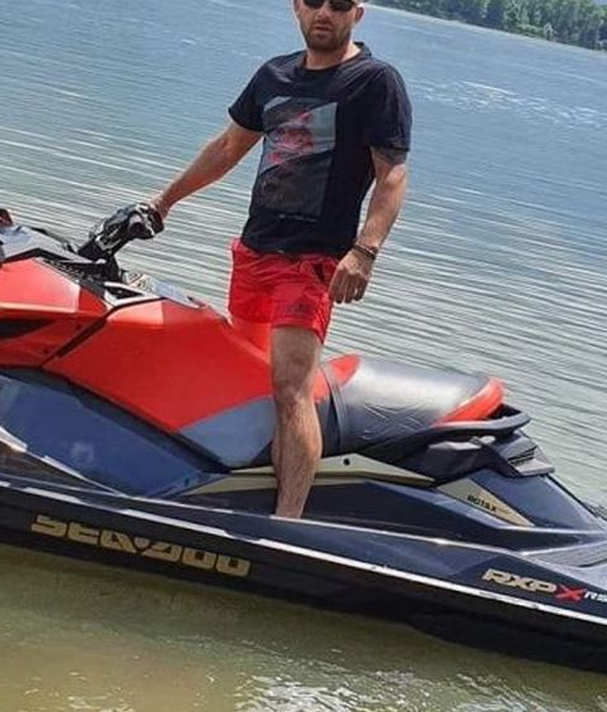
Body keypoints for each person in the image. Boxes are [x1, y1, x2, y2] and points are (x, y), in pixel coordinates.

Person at [150, 0, 411, 518]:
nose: (324, 12)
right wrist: (162, 203)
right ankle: (237, 491)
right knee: (248, 376)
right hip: (254, 254)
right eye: (314, 1)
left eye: (339, 4)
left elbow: (393, 175)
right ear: (296, 7)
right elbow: (228, 148)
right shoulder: (273, 75)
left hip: (311, 262)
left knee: (291, 388)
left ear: (357, 14)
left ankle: (286, 523)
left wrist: (364, 252)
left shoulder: (374, 81)